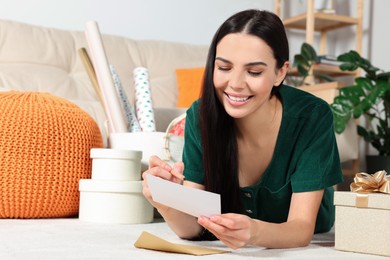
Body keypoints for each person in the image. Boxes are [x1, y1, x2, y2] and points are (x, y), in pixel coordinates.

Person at [142, 9, 343, 249]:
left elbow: (301, 230)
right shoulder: (201, 115)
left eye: (254, 72)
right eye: (224, 68)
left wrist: (254, 231)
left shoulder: (312, 116)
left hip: (307, 230)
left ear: (281, 72)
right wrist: (166, 201)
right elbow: (194, 228)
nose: (235, 84)